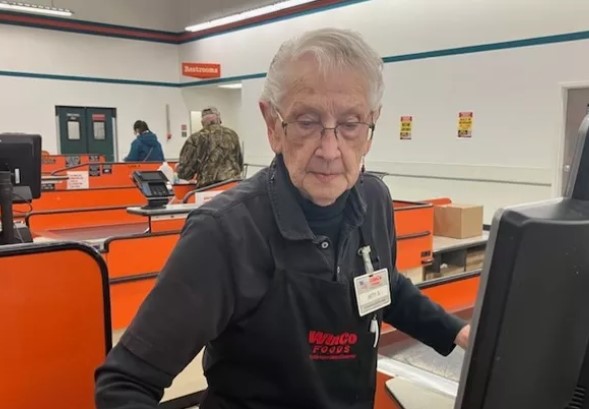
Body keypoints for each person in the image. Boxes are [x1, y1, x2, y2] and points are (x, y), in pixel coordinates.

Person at [95, 28, 470, 409]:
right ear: (273, 125)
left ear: (371, 127)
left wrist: (457, 332)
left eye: (350, 124)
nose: (330, 150)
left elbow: (381, 284)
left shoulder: (373, 199)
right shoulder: (225, 233)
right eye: (307, 121)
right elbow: (123, 384)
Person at [175, 107, 243, 187]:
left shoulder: (195, 138)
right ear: (219, 120)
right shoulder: (232, 135)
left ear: (202, 122)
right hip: (233, 185)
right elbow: (240, 163)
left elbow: (184, 172)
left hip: (209, 188)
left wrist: (182, 172)